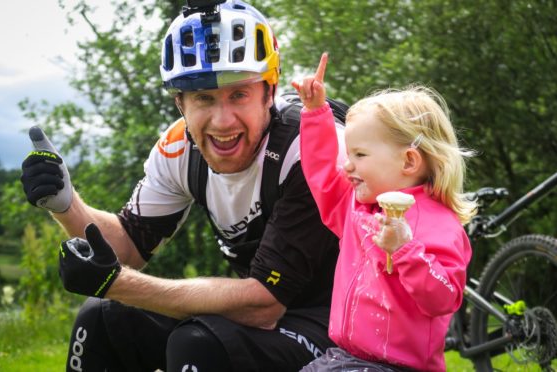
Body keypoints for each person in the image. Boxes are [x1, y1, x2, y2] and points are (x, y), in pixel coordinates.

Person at [19, 2, 346, 371]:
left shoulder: (310, 146)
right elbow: (127, 247)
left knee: (199, 345)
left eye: (239, 94)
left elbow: (264, 304)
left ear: (268, 93)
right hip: (274, 320)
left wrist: (117, 284)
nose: (222, 122)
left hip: (342, 325)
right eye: (203, 98)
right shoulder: (180, 148)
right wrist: (66, 204)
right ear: (180, 104)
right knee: (103, 318)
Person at [291, 53, 477, 371]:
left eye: (360, 154)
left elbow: (444, 297)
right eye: (348, 153)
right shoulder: (355, 207)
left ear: (409, 161)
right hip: (346, 357)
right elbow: (322, 173)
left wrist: (406, 250)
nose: (347, 165)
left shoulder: (439, 224)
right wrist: (315, 112)